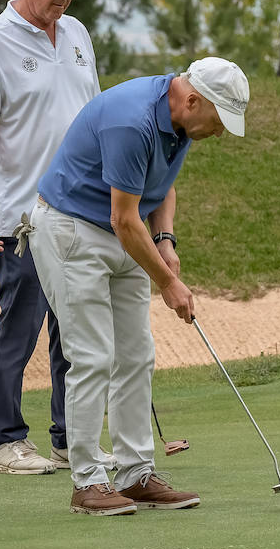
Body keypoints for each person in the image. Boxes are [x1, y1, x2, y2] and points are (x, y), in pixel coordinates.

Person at [28, 56, 249, 515]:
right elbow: (124, 219)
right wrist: (168, 282)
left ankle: (135, 475)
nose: (221, 131)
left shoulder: (180, 122)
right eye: (219, 119)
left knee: (136, 354)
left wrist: (165, 238)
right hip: (73, 230)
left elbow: (161, 185)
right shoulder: (133, 121)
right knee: (92, 356)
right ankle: (88, 482)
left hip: (120, 232)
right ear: (192, 100)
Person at [0, 0, 99, 475]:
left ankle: (69, 439)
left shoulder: (79, 35)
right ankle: (6, 442)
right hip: (22, 217)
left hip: (80, 212)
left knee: (74, 333)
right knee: (19, 333)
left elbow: (90, 119)